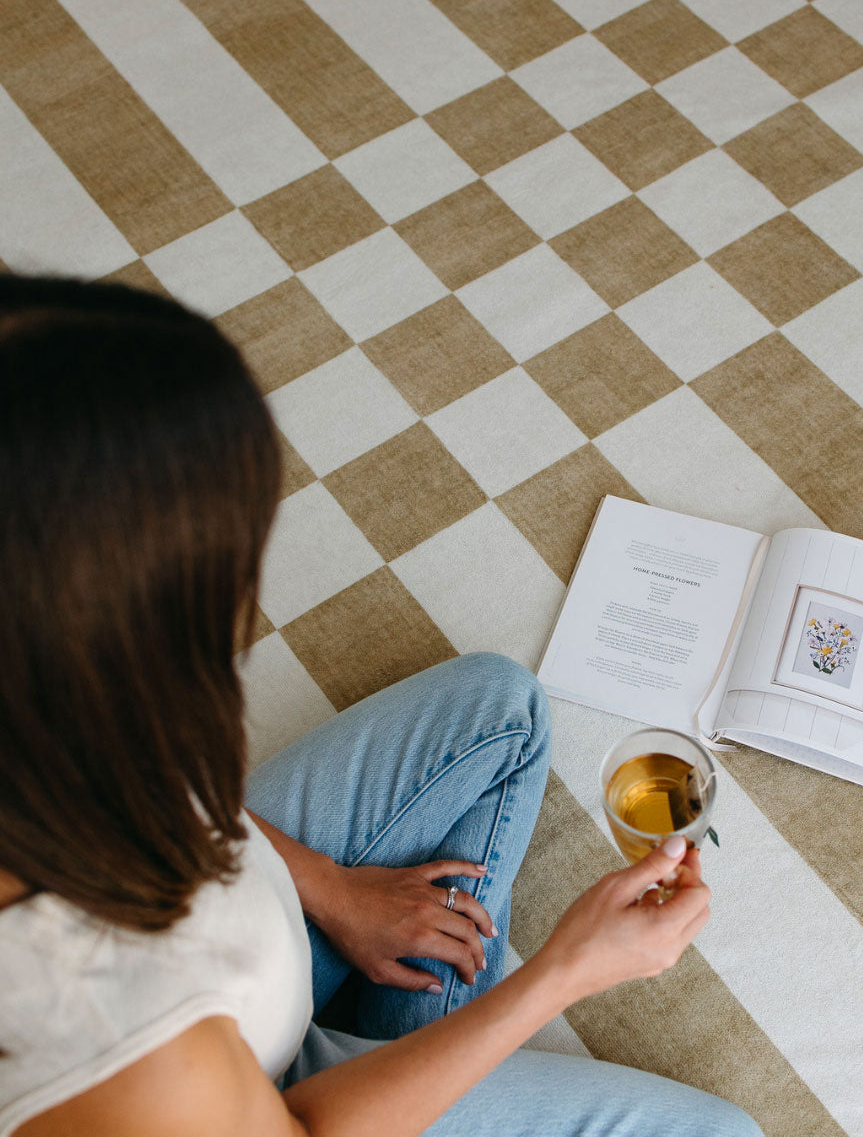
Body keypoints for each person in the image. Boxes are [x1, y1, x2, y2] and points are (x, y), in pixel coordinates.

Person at [0, 274, 762, 1137]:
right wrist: (563, 973)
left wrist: (328, 888)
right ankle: (411, 1063)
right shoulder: (120, 1052)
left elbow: (172, 802)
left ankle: (406, 1039)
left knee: (498, 712)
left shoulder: (45, 703)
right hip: (271, 1101)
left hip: (239, 960)